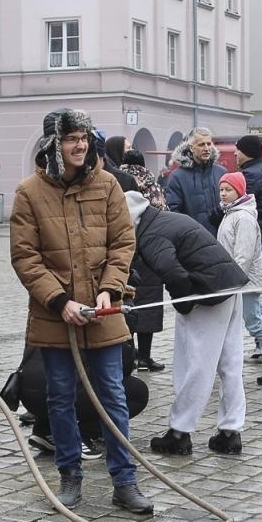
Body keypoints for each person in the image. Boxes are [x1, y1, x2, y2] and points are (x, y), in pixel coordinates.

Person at [10, 108, 152, 515]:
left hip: (104, 313)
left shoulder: (107, 185)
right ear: (54, 144)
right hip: (56, 316)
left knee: (113, 395)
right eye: (71, 138)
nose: (80, 145)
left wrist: (110, 289)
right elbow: (25, 256)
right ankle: (69, 475)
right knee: (60, 397)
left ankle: (124, 480)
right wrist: (60, 300)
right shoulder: (29, 192)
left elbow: (122, 242)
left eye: (84, 138)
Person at [129, 190, 249, 456]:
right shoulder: (165, 219)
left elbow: (172, 272)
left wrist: (183, 303)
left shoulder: (150, 235)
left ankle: (179, 433)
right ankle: (230, 432)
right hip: (228, 285)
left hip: (206, 294)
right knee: (230, 362)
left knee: (195, 364)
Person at [8, 345, 148, 457]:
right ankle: (81, 435)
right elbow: (121, 365)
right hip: (61, 392)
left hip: (28, 394)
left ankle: (45, 429)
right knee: (136, 391)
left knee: (52, 374)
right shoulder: (96, 322)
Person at [217, 171, 262, 385]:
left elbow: (243, 256)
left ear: (239, 191)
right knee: (240, 321)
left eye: (228, 190)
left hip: (244, 282)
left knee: (254, 321)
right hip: (235, 281)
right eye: (221, 189)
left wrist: (232, 281)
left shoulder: (243, 217)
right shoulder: (230, 213)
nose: (223, 193)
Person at [117, 149, 166, 371]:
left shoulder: (114, 180)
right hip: (149, 251)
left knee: (126, 303)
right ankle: (145, 357)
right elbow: (161, 212)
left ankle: (129, 355)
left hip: (124, 252)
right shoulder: (151, 183)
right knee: (149, 304)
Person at [163, 128, 227, 232]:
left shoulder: (222, 172)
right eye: (201, 145)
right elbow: (174, 213)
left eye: (209, 144)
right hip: (194, 238)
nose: (206, 148)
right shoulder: (177, 177)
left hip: (221, 237)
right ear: (191, 148)